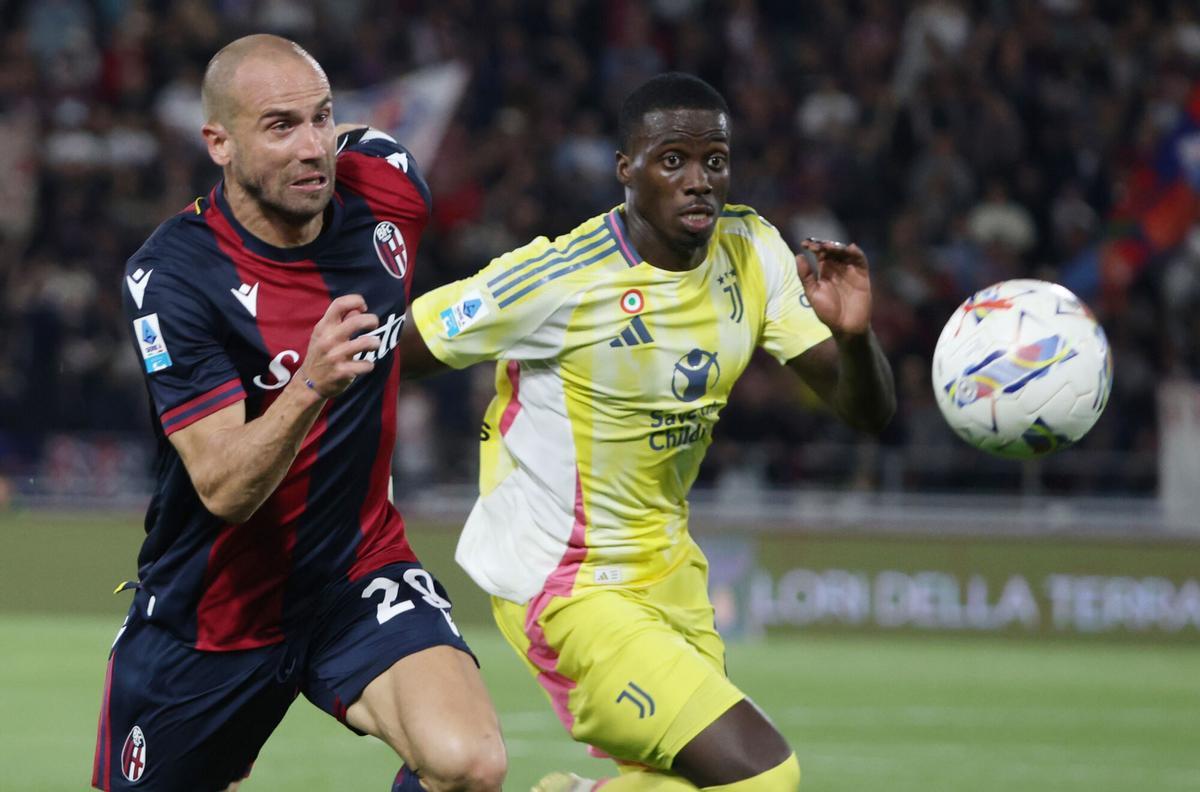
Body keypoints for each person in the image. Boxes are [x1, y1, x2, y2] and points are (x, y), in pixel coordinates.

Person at [397, 73, 896, 791]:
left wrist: (853, 338)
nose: (699, 182)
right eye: (673, 161)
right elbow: (393, 350)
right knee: (765, 775)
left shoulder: (753, 251)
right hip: (568, 583)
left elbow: (867, 412)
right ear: (626, 169)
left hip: (668, 571)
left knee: (690, 782)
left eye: (714, 162)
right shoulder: (558, 278)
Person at [94, 34, 506, 792]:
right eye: (280, 126)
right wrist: (311, 384)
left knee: (468, 765)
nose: (313, 146)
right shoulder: (174, 278)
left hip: (357, 569)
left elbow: (357, 142)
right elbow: (223, 487)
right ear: (217, 141)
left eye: (321, 119)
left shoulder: (388, 190)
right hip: (212, 609)